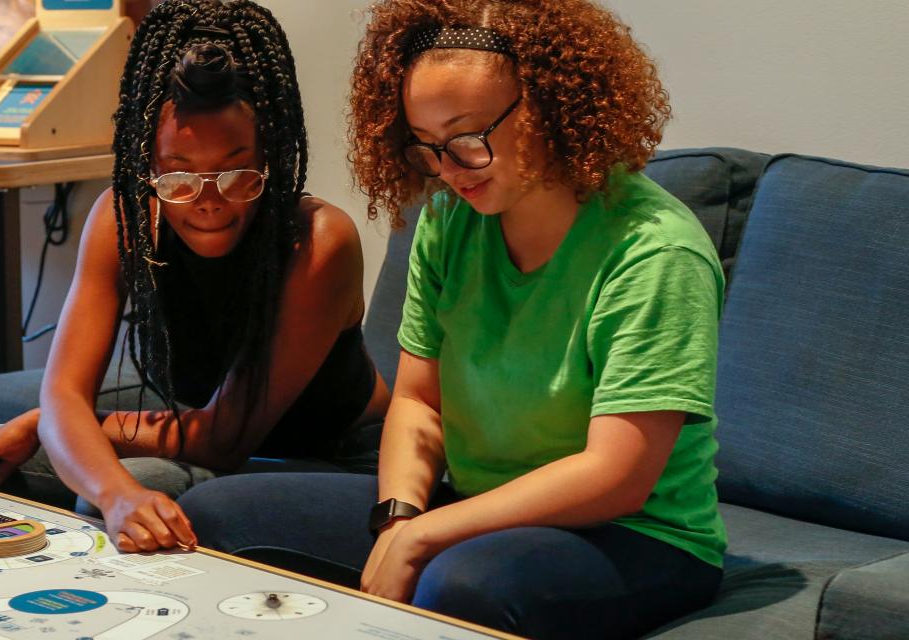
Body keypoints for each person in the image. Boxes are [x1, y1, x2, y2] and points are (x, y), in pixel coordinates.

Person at [177, 1, 725, 636]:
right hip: (475, 509)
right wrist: (401, 517)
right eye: (428, 146)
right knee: (214, 514)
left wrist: (425, 537)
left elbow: (617, 476)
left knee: (460, 584)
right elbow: (418, 401)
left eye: (468, 139)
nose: (447, 170)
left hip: (636, 535)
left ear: (549, 103)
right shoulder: (448, 221)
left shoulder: (655, 250)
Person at [0, 0, 389, 555]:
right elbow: (64, 390)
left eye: (237, 172)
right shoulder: (126, 216)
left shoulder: (317, 242)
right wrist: (101, 473)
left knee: (125, 489)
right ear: (148, 164)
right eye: (179, 176)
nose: (209, 201)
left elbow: (221, 440)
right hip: (200, 420)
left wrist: (64, 437)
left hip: (325, 452)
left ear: (274, 155)